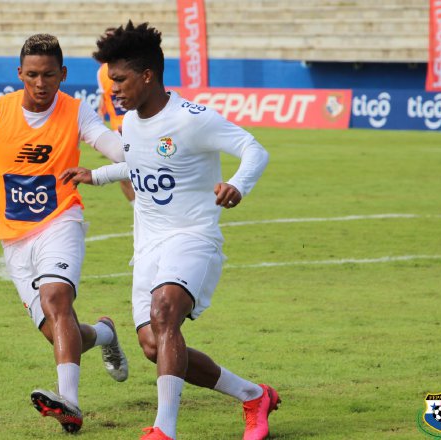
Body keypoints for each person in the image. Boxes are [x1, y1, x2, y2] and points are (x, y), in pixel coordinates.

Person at [61, 22, 277, 440]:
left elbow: (255, 148)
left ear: (147, 75)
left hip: (193, 236)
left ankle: (164, 430)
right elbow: (142, 165)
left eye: (119, 80)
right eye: (110, 82)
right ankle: (253, 395)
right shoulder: (132, 125)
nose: (113, 90)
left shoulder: (192, 119)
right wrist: (98, 176)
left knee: (164, 312)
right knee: (154, 347)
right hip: (147, 247)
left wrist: (237, 184)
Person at [0, 33, 129, 434]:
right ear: (19, 74)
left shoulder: (76, 112)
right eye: (32, 75)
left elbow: (111, 145)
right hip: (14, 239)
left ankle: (71, 404)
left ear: (63, 74)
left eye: (49, 75)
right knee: (57, 331)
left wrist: (136, 150)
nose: (41, 83)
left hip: (61, 221)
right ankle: (104, 334)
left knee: (56, 298)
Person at [96, 30, 135, 205]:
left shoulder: (134, 64)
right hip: (117, 129)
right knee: (123, 174)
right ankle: (138, 210)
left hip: (139, 126)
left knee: (149, 170)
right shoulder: (101, 71)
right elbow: (104, 94)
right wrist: (99, 110)